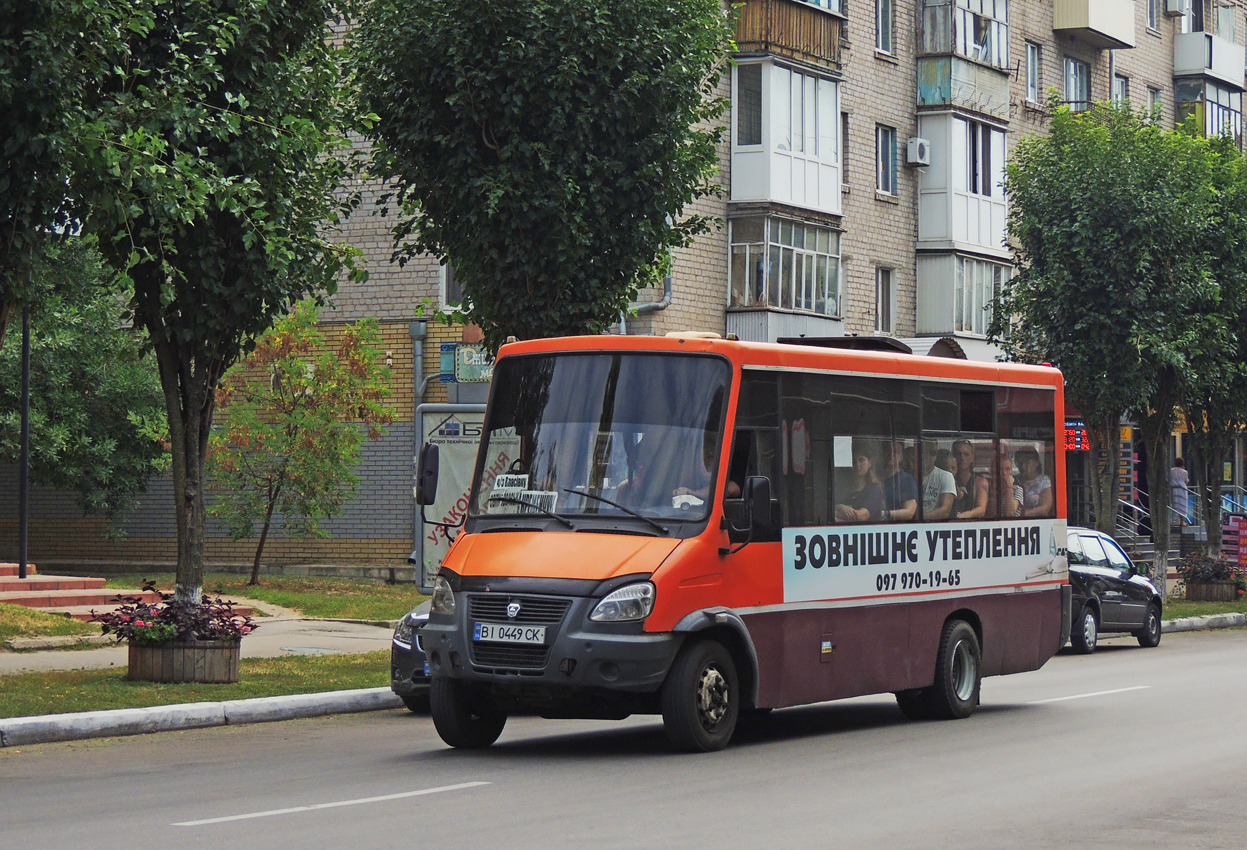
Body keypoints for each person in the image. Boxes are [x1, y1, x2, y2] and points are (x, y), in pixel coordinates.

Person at [836, 446, 884, 522]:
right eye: (854, 461)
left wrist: (837, 510)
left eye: (861, 460)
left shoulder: (874, 490)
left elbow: (860, 516)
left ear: (869, 463)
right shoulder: (844, 489)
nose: (857, 465)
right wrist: (840, 507)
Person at [880, 440, 919, 522]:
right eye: (888, 450)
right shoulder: (876, 478)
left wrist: (885, 514)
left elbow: (909, 512)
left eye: (896, 452)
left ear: (901, 457)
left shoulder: (906, 480)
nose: (891, 455)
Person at [952, 439, 990, 519]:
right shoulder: (947, 478)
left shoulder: (980, 481)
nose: (962, 458)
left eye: (966, 454)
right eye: (958, 454)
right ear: (953, 456)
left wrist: (963, 515)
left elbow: (981, 509)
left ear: (972, 457)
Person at [921, 443, 956, 521]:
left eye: (932, 453)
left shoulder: (946, 476)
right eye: (923, 452)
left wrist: (919, 518)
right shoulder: (908, 476)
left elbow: (945, 511)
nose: (927, 456)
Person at [1016, 448, 1053, 517]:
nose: (1023, 467)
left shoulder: (1044, 481)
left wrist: (1024, 514)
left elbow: (1045, 507)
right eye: (1020, 463)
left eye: (1027, 463)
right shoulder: (1015, 480)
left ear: (1036, 462)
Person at [1170, 457, 1190, 526]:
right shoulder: (1184, 472)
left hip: (1173, 489)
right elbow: (1186, 481)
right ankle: (1182, 521)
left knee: (1174, 503)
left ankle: (1173, 520)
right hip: (1182, 489)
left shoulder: (1171, 471)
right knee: (1182, 504)